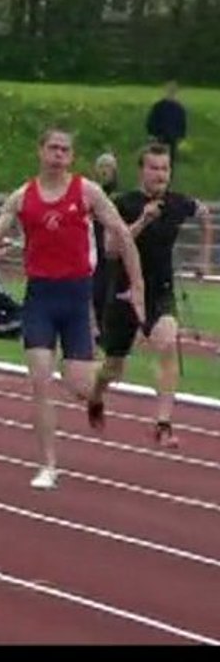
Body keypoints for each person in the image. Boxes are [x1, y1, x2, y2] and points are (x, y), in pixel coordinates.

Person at [0, 128, 145, 491]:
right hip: (40, 298)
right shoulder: (23, 197)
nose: (58, 154)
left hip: (76, 298)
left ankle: (101, 384)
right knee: (40, 381)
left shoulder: (87, 192)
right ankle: (48, 465)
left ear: (71, 156)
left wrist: (137, 286)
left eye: (65, 150)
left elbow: (121, 233)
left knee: (79, 386)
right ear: (40, 151)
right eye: (52, 148)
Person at [87, 142, 213, 448]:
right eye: (154, 168)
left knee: (167, 341)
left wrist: (204, 258)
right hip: (123, 291)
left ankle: (163, 423)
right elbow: (111, 250)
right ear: (142, 170)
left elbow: (205, 214)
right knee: (113, 367)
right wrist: (143, 220)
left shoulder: (178, 203)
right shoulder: (122, 203)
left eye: (165, 169)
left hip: (160, 291)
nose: (160, 175)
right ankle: (96, 395)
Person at [91, 152, 120, 341]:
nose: (104, 171)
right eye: (102, 167)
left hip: (109, 249)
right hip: (93, 247)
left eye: (108, 167)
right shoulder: (91, 193)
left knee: (109, 290)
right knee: (94, 290)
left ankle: (106, 330)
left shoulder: (117, 197)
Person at [145, 81, 187, 167]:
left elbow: (182, 124)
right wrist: (151, 134)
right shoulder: (158, 106)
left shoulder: (179, 109)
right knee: (156, 160)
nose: (171, 94)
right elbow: (152, 120)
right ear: (165, 92)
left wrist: (180, 137)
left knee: (169, 162)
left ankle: (167, 178)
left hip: (172, 138)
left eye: (173, 92)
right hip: (158, 138)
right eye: (169, 91)